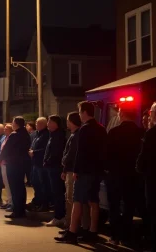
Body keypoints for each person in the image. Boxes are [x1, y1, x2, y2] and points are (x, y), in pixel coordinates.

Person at [59, 101, 107, 244]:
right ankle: (92, 231)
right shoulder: (101, 128)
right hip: (97, 171)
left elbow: (81, 152)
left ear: (85, 112)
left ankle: (72, 232)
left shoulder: (84, 129)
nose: (79, 115)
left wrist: (76, 170)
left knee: (77, 200)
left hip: (84, 170)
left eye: (80, 112)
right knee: (94, 201)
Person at [105, 104, 144, 245]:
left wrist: (107, 169)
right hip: (133, 176)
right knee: (129, 206)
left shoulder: (114, 132)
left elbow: (107, 154)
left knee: (114, 205)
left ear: (121, 114)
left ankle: (115, 236)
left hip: (115, 175)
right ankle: (126, 237)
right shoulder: (141, 132)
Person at [137, 101, 156, 252]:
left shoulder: (152, 133)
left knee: (155, 212)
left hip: (154, 180)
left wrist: (140, 168)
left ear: (153, 114)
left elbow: (143, 157)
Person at [59, 112, 90, 233]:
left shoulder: (77, 135)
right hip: (70, 170)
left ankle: (73, 226)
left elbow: (71, 154)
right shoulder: (74, 134)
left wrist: (64, 162)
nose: (66, 123)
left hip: (73, 171)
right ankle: (75, 225)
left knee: (72, 200)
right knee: (72, 199)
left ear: (71, 121)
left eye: (67, 120)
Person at [0, 116, 31, 219]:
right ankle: (21, 210)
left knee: (14, 187)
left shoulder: (14, 134)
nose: (12, 124)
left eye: (13, 122)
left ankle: (16, 210)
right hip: (22, 164)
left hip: (12, 163)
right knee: (21, 187)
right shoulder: (26, 134)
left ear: (16, 123)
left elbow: (6, 149)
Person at [44, 115, 67, 227]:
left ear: (55, 123)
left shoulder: (59, 136)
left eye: (49, 121)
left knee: (58, 193)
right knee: (56, 193)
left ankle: (59, 216)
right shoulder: (52, 135)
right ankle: (59, 216)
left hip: (56, 168)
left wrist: (47, 161)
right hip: (52, 167)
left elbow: (56, 153)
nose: (48, 123)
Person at [27, 117, 50, 212]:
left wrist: (34, 152)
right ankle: (37, 201)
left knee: (43, 184)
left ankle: (44, 204)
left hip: (41, 163)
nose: (36, 124)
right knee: (35, 182)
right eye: (36, 123)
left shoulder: (46, 135)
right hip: (35, 163)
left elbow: (46, 149)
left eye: (38, 123)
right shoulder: (36, 134)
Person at [0, 123, 14, 211]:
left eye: (6, 129)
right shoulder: (5, 138)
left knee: (9, 182)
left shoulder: (11, 138)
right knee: (5, 182)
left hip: (7, 163)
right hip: (3, 163)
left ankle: (11, 202)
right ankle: (9, 201)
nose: (4, 130)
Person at [25, 121, 36, 187]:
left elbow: (30, 145)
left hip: (31, 154)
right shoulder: (32, 134)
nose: (26, 127)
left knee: (30, 169)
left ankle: (30, 181)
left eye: (27, 126)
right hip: (31, 154)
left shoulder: (32, 134)